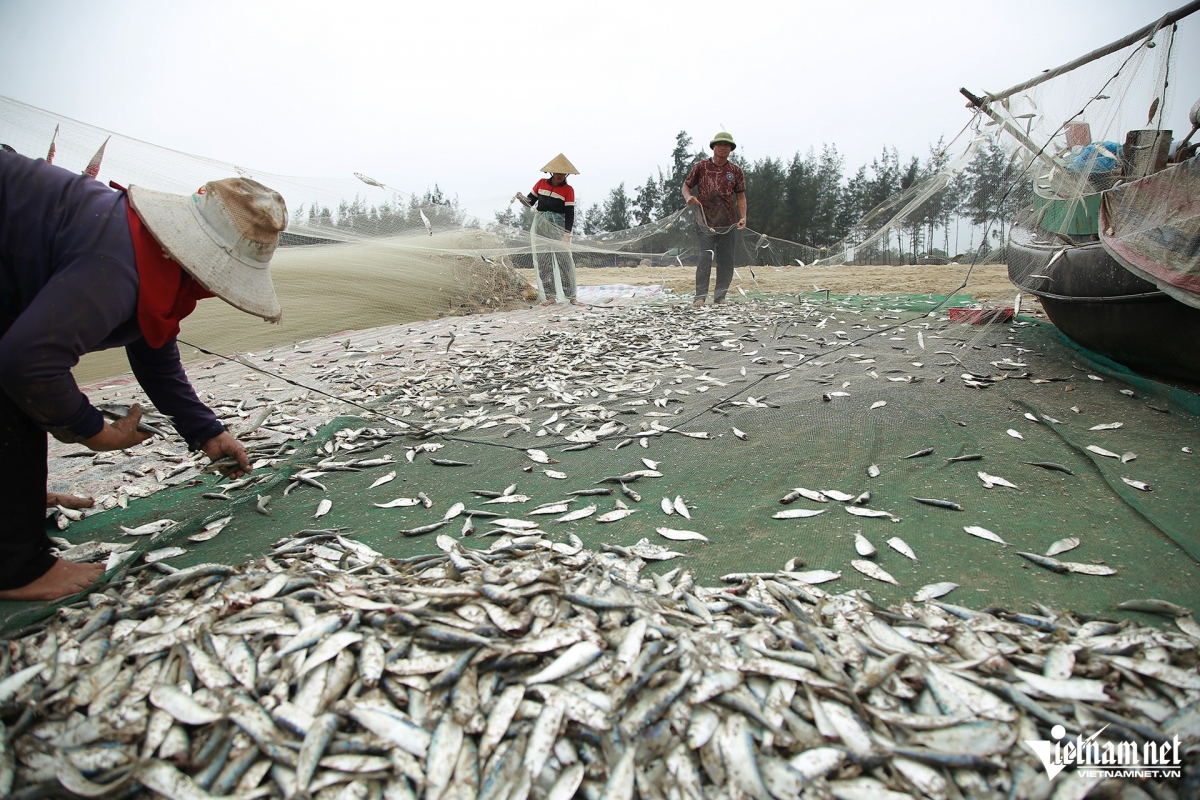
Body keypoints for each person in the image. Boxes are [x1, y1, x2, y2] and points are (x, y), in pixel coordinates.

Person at [0, 150, 288, 601]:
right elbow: (26, 363)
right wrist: (93, 431)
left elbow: (153, 349)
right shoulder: (115, 265)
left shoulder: (143, 248)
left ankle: (12, 510)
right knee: (16, 393)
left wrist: (207, 432)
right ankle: (15, 570)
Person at [682, 132, 747, 306]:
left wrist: (743, 217)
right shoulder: (701, 166)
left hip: (728, 223)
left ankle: (720, 297)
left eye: (727, 145)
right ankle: (700, 297)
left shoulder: (735, 171)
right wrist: (688, 197)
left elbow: (740, 197)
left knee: (726, 260)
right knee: (705, 257)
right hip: (705, 221)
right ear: (713, 147)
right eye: (719, 144)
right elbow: (686, 186)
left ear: (731, 149)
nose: (723, 147)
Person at [521, 154, 580, 305]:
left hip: (558, 227)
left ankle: (571, 296)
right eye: (557, 173)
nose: (559, 176)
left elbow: (570, 213)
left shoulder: (568, 190)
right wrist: (522, 198)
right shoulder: (541, 183)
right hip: (541, 226)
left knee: (564, 261)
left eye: (562, 173)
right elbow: (530, 202)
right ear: (552, 173)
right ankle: (550, 296)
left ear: (566, 175)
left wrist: (567, 233)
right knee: (544, 262)